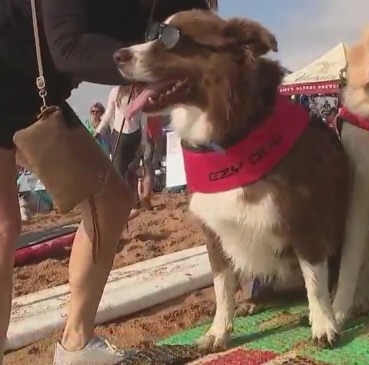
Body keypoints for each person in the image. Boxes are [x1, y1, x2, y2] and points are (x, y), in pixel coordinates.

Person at [0, 0, 215, 364]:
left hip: (32, 92)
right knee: (4, 226)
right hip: (10, 67)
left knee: (112, 201)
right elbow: (69, 49)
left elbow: (196, 41)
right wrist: (151, 66)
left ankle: (76, 345)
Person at [95, 85, 148, 218]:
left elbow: (143, 119)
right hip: (120, 135)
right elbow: (108, 114)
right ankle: (120, 202)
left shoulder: (139, 92)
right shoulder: (116, 91)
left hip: (133, 136)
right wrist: (98, 130)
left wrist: (143, 141)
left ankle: (133, 201)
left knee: (131, 170)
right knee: (119, 170)